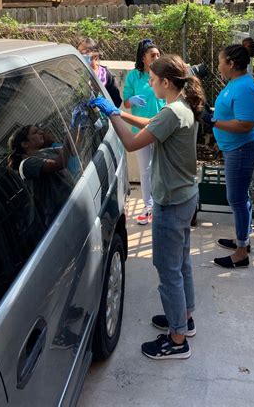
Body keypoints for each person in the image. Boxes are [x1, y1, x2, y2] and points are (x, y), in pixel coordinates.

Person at [90, 54, 205, 360]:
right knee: (181, 262)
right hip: (185, 196)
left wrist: (112, 116)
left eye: (153, 80)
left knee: (168, 270)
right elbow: (152, 125)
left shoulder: (173, 112)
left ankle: (177, 339)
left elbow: (131, 143)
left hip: (171, 202)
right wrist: (120, 112)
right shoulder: (180, 107)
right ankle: (185, 318)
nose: (150, 83)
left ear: (165, 82)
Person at [205, 38, 254, 269]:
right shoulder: (236, 82)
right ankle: (243, 240)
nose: (218, 66)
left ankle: (241, 253)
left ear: (230, 63)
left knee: (236, 200)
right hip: (236, 150)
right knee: (241, 199)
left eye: (220, 62)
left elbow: (245, 124)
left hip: (242, 150)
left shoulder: (245, 88)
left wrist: (214, 122)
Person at [123, 38, 165, 224]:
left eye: (158, 54)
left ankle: (160, 204)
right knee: (145, 169)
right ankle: (148, 206)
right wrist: (132, 99)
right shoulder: (133, 76)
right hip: (141, 129)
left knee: (162, 167)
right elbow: (125, 103)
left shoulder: (163, 74)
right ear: (143, 58)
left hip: (161, 126)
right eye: (152, 55)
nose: (156, 57)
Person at [7, 124, 79, 226]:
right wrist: (68, 137)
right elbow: (59, 164)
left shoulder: (45, 152)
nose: (41, 132)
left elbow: (72, 149)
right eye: (35, 132)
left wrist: (78, 126)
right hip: (60, 215)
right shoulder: (26, 164)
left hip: (72, 203)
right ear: (25, 144)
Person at [77, 37, 122, 108]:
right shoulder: (78, 73)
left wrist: (105, 108)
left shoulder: (107, 76)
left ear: (95, 55)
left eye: (83, 52)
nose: (80, 55)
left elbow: (116, 102)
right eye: (78, 52)